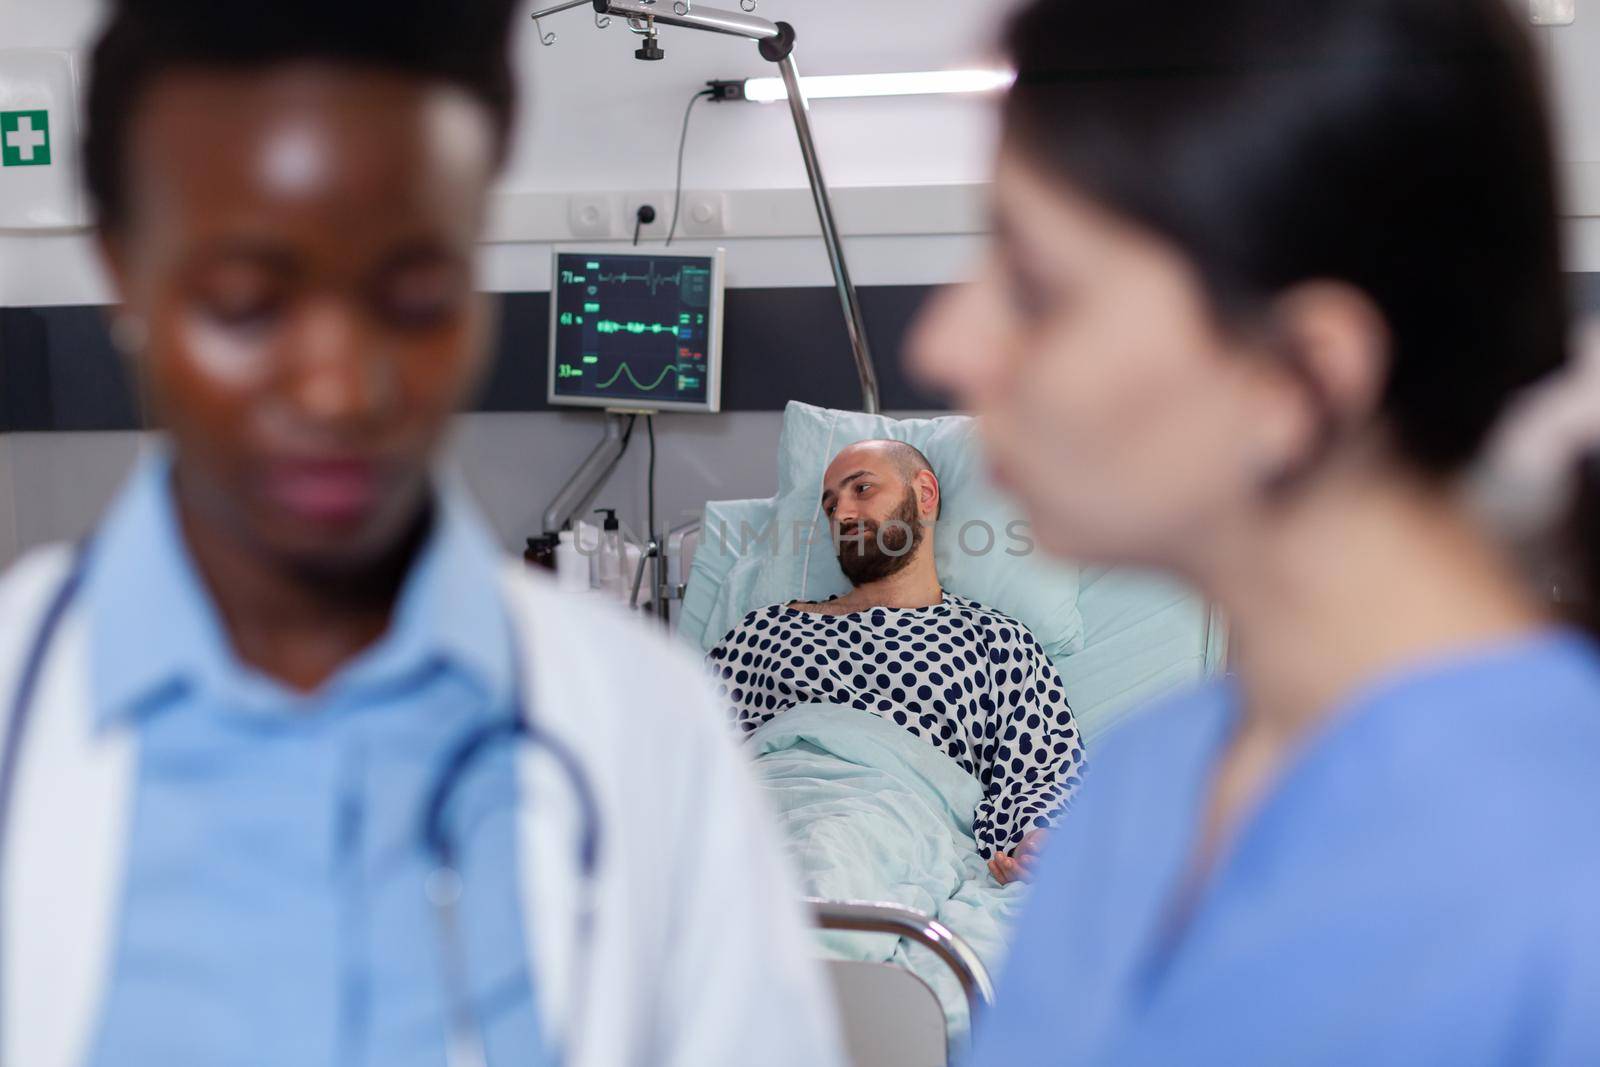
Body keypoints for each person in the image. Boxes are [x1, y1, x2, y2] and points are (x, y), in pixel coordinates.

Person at [0, 4, 844, 1066]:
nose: (338, 385)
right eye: (245, 303)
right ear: (123, 271)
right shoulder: (18, 704)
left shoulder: (643, 727)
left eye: (414, 298)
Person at [908, 0, 1600, 1062]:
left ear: (1300, 376)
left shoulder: (1562, 858)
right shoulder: (1139, 788)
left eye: (1036, 291)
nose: (944, 343)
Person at [706, 439, 1084, 884]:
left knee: (826, 860)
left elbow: (1044, 773)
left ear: (923, 495)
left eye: (861, 489)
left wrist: (1038, 841)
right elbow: (685, 748)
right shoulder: (764, 632)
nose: (842, 515)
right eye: (830, 508)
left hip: (893, 823)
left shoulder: (995, 640)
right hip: (760, 810)